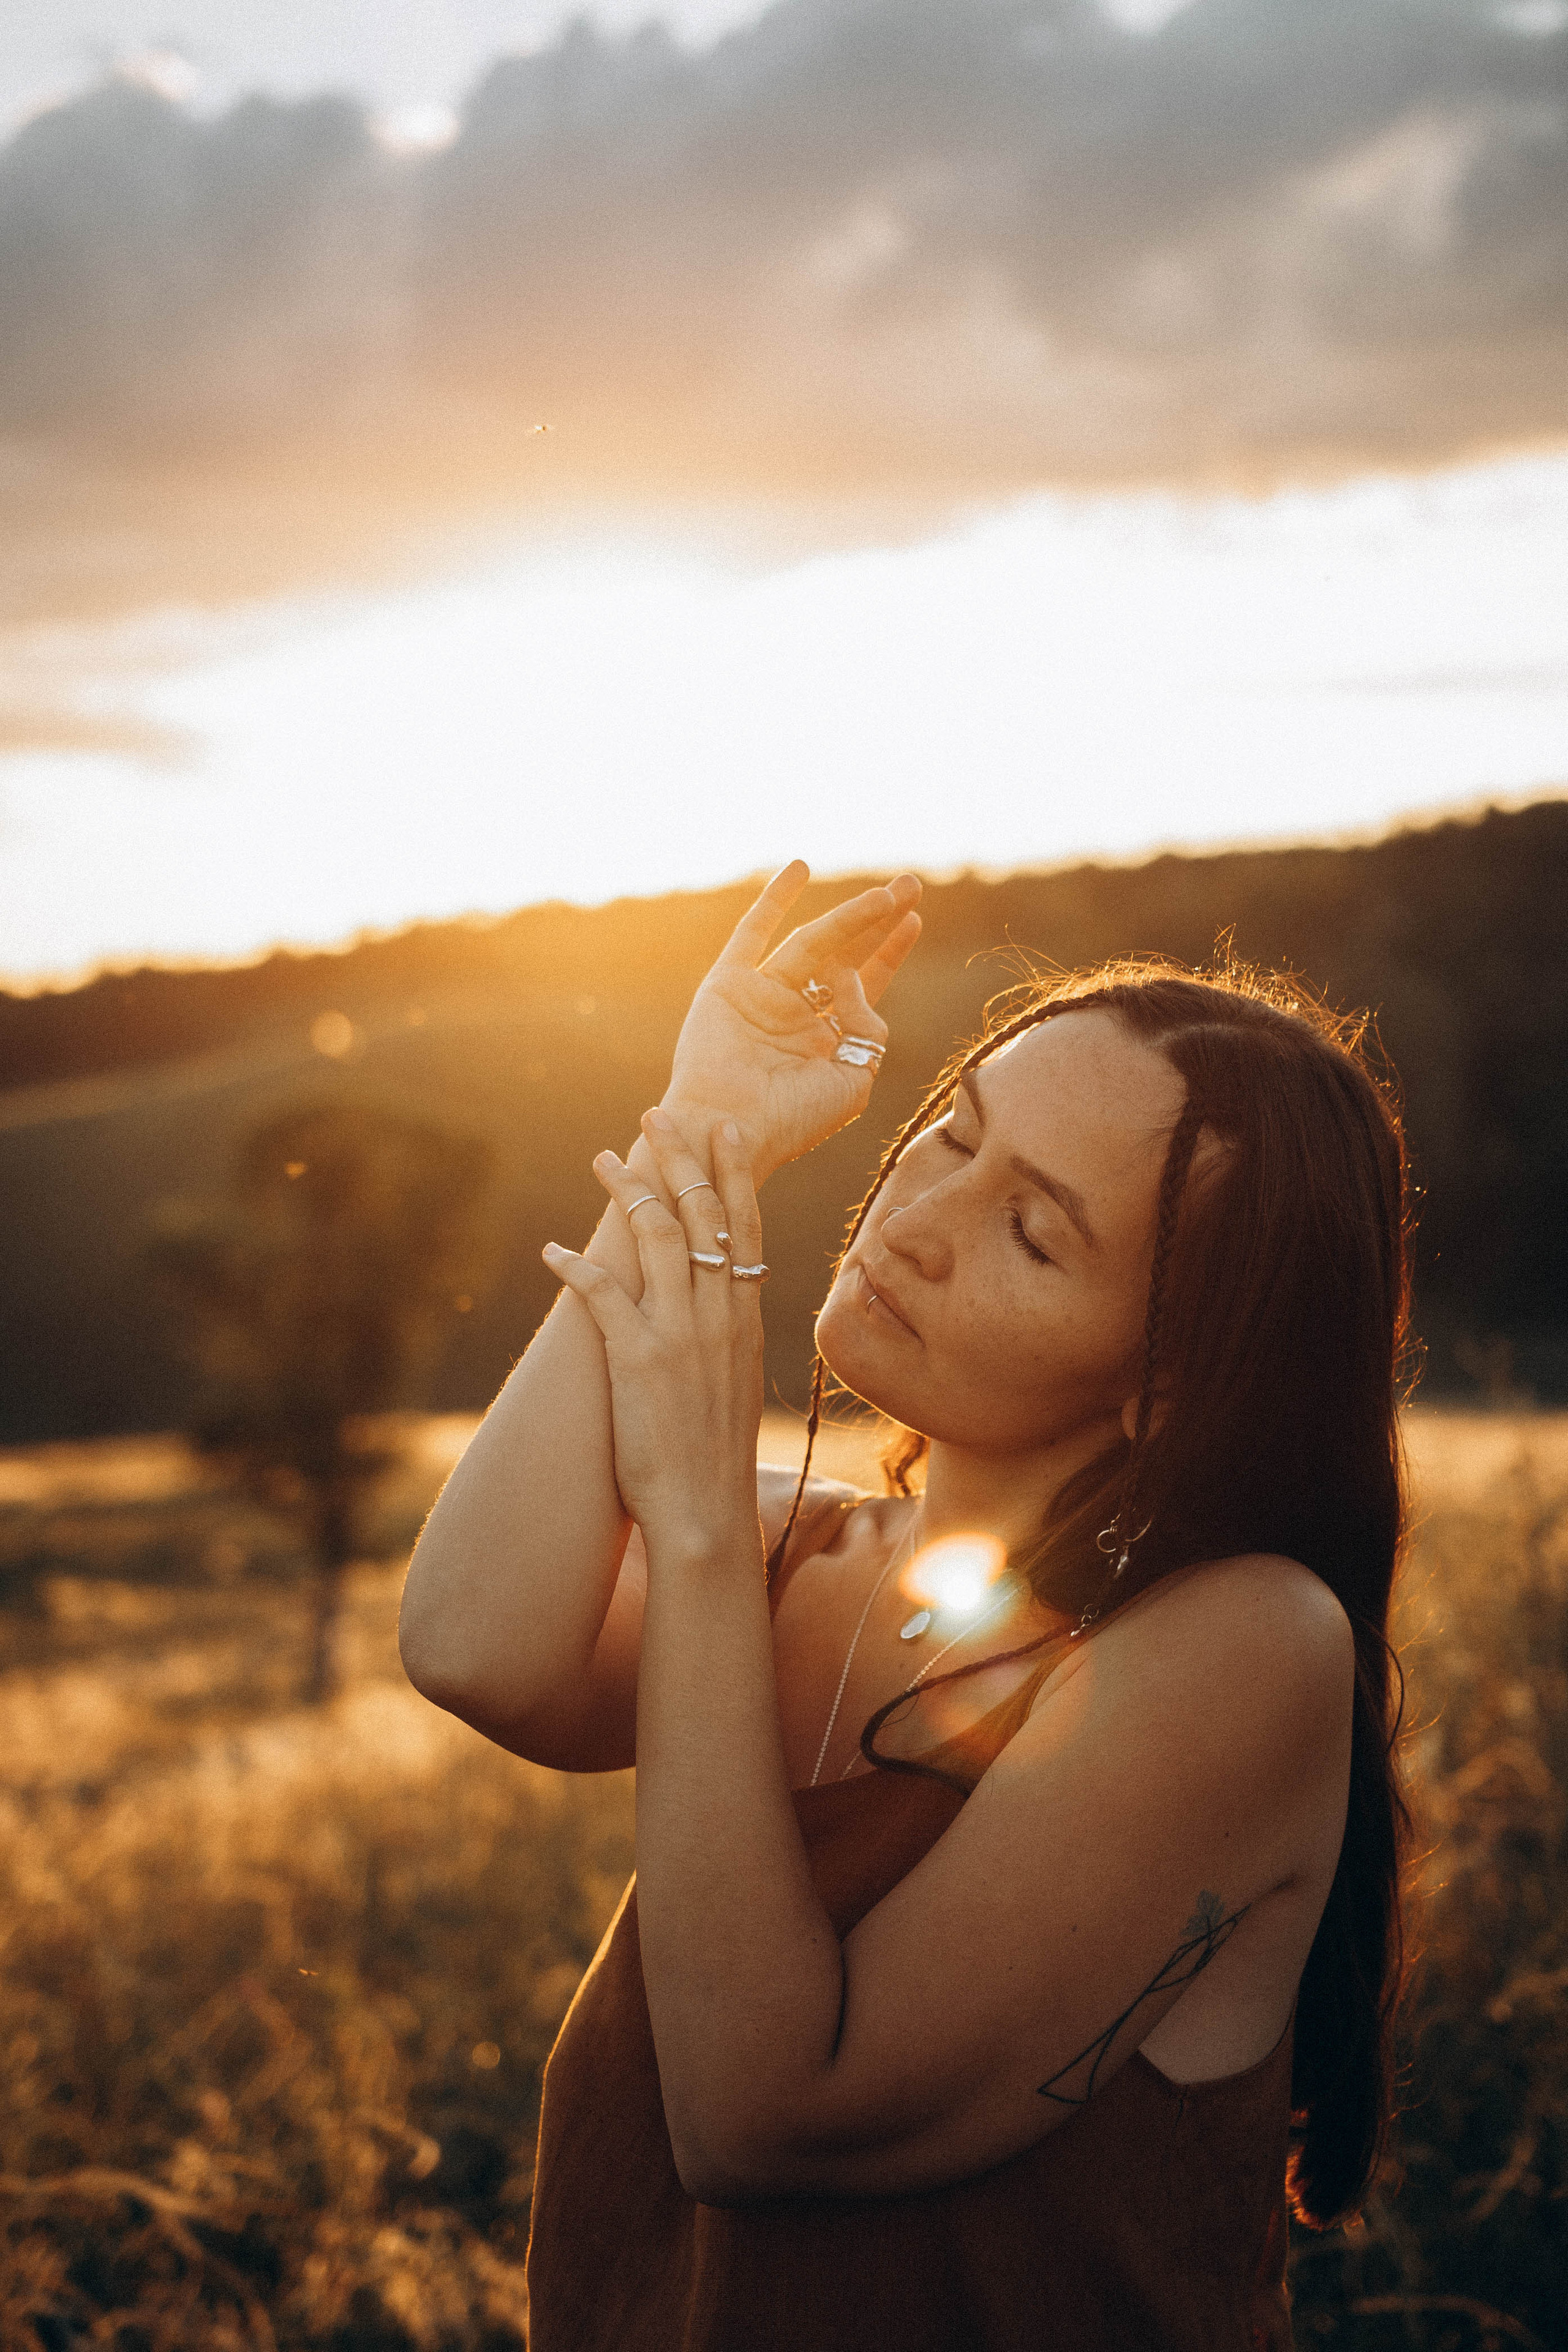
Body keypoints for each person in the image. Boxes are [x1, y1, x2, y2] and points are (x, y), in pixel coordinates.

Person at [398, 861, 1412, 2351]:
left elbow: (763, 2118)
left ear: (1170, 1380)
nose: (921, 1218)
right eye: (950, 1133)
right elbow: (470, 1646)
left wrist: (694, 1522)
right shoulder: (796, 1553)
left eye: (1032, 1231)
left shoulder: (1242, 1646)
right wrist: (700, 1126)